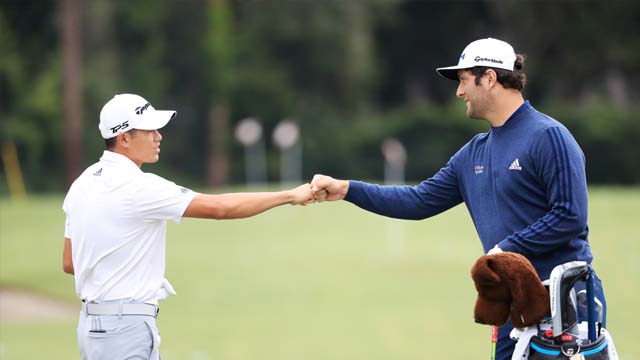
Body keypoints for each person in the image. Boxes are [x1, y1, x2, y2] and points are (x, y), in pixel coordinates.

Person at [310, 38, 607, 360]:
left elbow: (569, 215)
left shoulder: (549, 136)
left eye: (464, 80)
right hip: (511, 305)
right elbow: (418, 200)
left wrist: (503, 250)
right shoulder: (473, 153)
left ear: (490, 78)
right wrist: (348, 189)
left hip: (564, 305)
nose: (459, 92)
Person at [62, 93, 314, 360]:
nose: (159, 136)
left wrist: (127, 269)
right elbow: (220, 208)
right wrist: (289, 196)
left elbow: (70, 261)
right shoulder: (139, 186)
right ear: (124, 138)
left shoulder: (82, 184)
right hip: (126, 329)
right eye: (149, 130)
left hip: (91, 328)